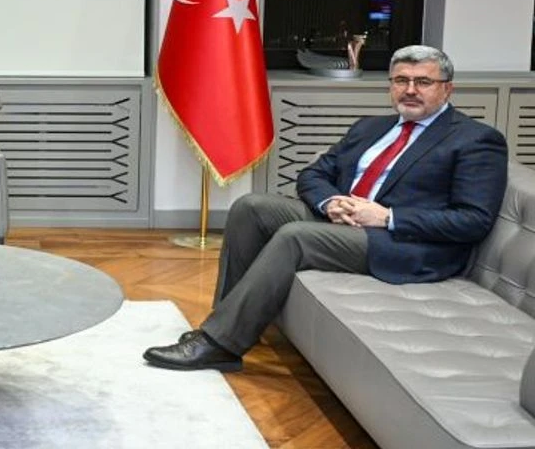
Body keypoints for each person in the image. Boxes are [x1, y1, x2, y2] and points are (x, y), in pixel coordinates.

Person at [144, 45, 508, 372]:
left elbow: (473, 220)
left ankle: (219, 345)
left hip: (402, 244)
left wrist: (387, 217)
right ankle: (226, 321)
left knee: (295, 237)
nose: (410, 90)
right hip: (344, 223)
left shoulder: (475, 140)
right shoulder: (371, 127)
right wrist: (330, 202)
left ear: (447, 89)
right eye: (401, 80)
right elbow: (313, 175)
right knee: (251, 207)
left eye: (423, 82)